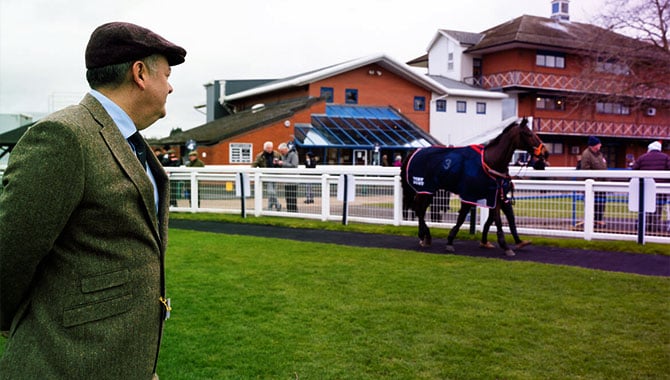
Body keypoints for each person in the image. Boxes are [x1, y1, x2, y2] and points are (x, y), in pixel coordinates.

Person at [0, 22, 186, 379]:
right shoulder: (65, 136)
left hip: (121, 361)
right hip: (67, 362)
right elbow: (11, 251)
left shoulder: (131, 142)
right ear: (140, 73)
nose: (171, 85)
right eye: (166, 74)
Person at [479, 179, 531, 250]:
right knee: (490, 219)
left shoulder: (505, 177)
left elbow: (505, 187)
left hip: (504, 200)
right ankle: (483, 241)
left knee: (511, 218)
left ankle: (518, 241)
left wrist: (509, 186)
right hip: (495, 201)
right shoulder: (493, 176)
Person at [632, 141, 670, 233]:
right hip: (660, 188)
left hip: (646, 187)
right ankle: (654, 226)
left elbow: (634, 170)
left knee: (645, 206)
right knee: (658, 207)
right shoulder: (666, 158)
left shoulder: (642, 157)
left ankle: (643, 225)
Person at [579, 135, 608, 227]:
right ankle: (590, 219)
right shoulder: (586, 154)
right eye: (599, 144)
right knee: (591, 202)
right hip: (592, 184)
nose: (600, 145)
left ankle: (598, 219)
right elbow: (585, 169)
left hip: (601, 183)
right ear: (594, 145)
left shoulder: (599, 154)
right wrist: (595, 179)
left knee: (601, 202)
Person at [252, 141, 281, 210]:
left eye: (271, 148)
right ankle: (278, 204)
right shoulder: (260, 156)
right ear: (264, 148)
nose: (269, 149)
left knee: (273, 192)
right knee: (270, 191)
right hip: (266, 175)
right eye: (268, 148)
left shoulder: (277, 154)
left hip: (275, 175)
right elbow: (254, 165)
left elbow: (281, 162)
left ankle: (269, 207)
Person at [278, 142, 299, 212]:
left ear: (285, 149)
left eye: (281, 151)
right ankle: (289, 210)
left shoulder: (293, 154)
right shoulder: (283, 155)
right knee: (287, 196)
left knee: (292, 196)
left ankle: (294, 211)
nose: (281, 153)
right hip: (286, 179)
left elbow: (294, 165)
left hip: (293, 179)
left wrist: (283, 163)